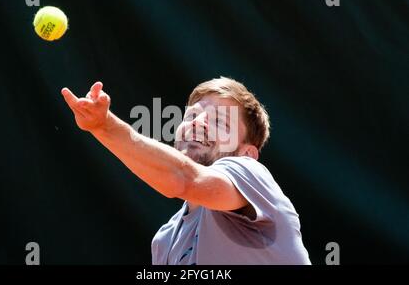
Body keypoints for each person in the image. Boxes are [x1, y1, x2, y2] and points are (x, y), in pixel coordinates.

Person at [61, 77, 311, 265]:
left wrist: (104, 126)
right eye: (192, 115)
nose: (197, 122)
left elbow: (182, 179)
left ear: (247, 153)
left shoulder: (251, 173)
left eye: (218, 121)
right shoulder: (165, 240)